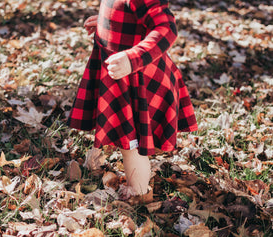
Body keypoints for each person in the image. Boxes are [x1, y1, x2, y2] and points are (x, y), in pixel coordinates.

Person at [67, 0, 198, 197]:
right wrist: (107, 23)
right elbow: (129, 14)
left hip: (138, 79)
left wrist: (133, 58)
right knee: (126, 137)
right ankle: (138, 187)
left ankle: (138, 192)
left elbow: (167, 28)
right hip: (121, 76)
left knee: (131, 143)